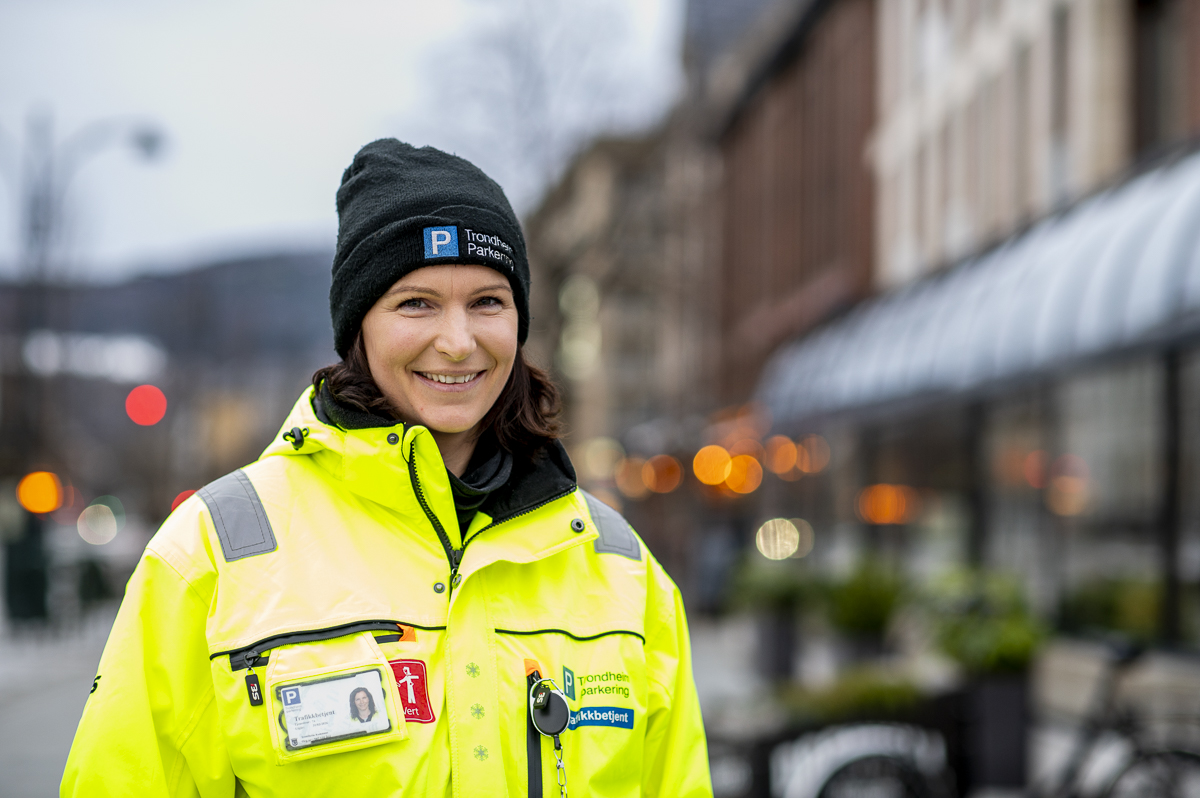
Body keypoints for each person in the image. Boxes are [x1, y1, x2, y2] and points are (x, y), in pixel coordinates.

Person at [61, 140, 712, 797]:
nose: (458, 341)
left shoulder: (623, 569)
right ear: (358, 330)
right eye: (416, 303)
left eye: (487, 301)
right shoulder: (209, 555)